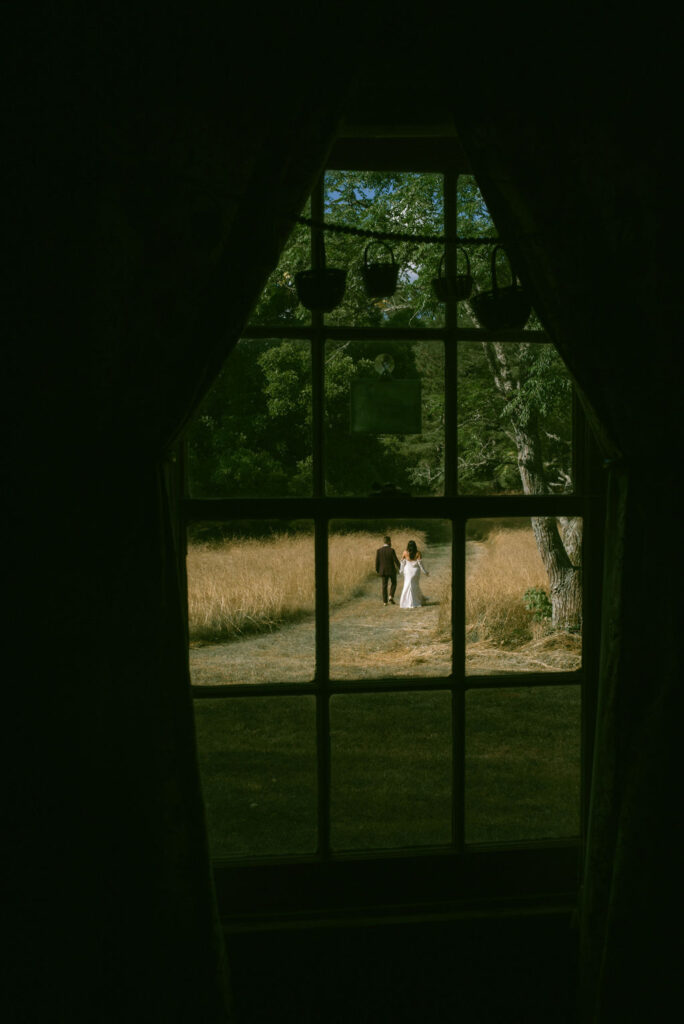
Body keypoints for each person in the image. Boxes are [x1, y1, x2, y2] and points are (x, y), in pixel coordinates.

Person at [399, 539, 430, 609]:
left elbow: (402, 562)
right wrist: (425, 572)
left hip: (407, 571)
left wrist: (400, 570)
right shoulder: (418, 553)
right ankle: (416, 601)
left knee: (407, 585)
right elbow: (420, 564)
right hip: (415, 571)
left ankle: (406, 602)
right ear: (415, 546)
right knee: (415, 586)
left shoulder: (405, 552)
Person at [375, 535, 401, 605]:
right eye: (390, 541)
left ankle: (384, 602)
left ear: (384, 541)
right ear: (389, 542)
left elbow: (377, 561)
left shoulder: (379, 551)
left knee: (384, 586)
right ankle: (391, 596)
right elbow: (396, 560)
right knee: (394, 583)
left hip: (383, 571)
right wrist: (401, 568)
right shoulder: (391, 550)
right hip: (391, 570)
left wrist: (377, 570)